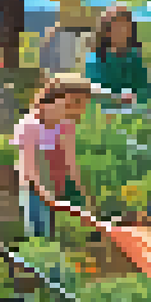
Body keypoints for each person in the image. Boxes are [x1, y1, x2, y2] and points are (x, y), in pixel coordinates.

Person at [12, 75, 96, 238]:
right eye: (72, 103)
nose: (77, 110)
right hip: (34, 190)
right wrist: (44, 193)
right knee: (40, 232)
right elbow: (30, 168)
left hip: (58, 186)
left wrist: (81, 193)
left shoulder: (66, 125)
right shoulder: (30, 125)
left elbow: (70, 161)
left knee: (68, 234)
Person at [86, 4, 151, 107]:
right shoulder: (95, 59)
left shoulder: (134, 59)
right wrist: (117, 98)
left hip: (132, 111)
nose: (123, 31)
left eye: (126, 27)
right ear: (106, 31)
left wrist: (135, 97)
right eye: (117, 27)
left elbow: (145, 90)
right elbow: (92, 90)